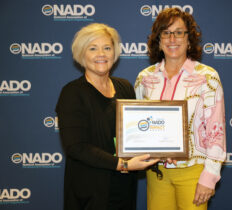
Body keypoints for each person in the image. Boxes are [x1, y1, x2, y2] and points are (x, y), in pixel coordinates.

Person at [56, 23, 159, 210]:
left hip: (123, 189)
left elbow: (137, 135)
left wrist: (163, 151)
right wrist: (123, 165)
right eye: (92, 48)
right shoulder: (72, 93)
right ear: (81, 54)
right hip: (91, 191)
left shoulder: (124, 87)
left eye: (107, 48)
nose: (101, 54)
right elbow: (76, 147)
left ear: (115, 53)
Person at [135, 8, 226, 210]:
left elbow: (216, 131)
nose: (172, 38)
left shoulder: (207, 77)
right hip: (156, 173)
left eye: (179, 32)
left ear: (189, 39)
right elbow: (137, 127)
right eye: (165, 33)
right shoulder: (145, 78)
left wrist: (209, 177)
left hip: (193, 172)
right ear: (158, 40)